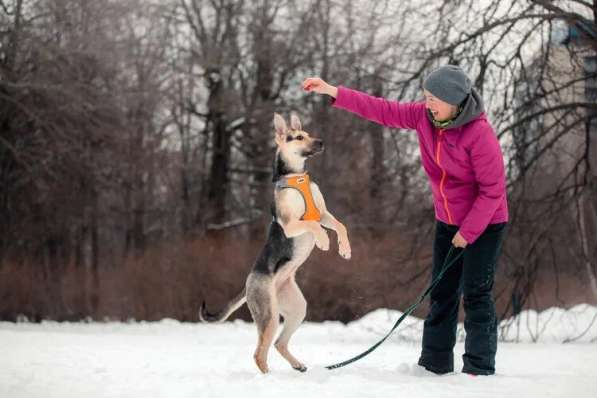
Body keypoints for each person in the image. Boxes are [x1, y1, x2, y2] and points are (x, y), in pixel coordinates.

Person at [302, 65, 508, 376]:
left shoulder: (478, 134)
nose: (429, 103)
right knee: (442, 292)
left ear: (455, 100)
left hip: (485, 222)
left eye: (435, 98)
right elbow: (382, 109)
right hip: (448, 221)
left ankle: (479, 368)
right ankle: (434, 364)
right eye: (426, 96)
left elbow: (493, 191)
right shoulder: (424, 117)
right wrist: (334, 91)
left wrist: (468, 232)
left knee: (476, 292)